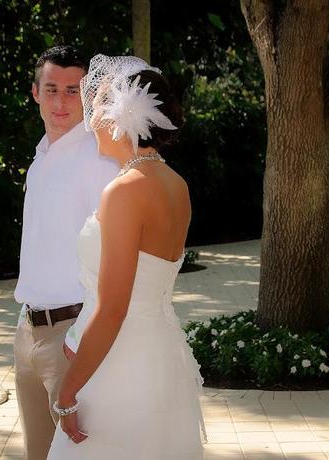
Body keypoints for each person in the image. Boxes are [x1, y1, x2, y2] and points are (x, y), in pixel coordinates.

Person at [47, 54, 206, 460]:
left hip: (119, 368)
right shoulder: (176, 184)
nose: (90, 114)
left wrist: (67, 392)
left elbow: (114, 309)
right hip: (162, 358)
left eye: (98, 103)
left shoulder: (124, 191)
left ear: (124, 115)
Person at [13, 47, 119, 460]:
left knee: (83, 454)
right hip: (27, 331)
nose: (61, 102)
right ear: (36, 93)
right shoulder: (38, 160)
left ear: (88, 95)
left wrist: (85, 340)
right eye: (52, 89)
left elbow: (114, 256)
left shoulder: (99, 159)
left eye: (72, 91)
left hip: (72, 334)